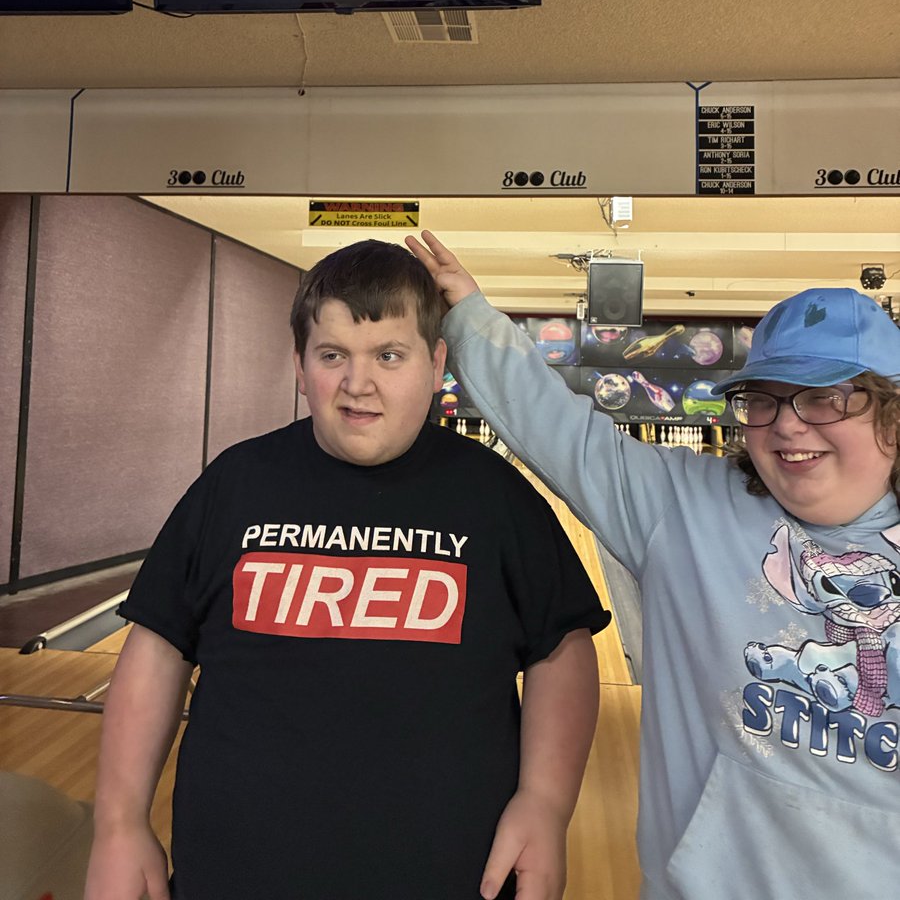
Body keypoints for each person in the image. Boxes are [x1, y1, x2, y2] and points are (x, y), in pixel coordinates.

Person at [84, 240, 609, 900]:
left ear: (436, 364)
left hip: (451, 877)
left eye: (389, 356)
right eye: (333, 355)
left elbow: (561, 646)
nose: (358, 383)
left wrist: (546, 802)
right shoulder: (236, 484)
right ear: (300, 367)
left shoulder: (494, 497)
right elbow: (158, 644)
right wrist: (119, 821)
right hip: (236, 874)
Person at [406, 230, 900, 900]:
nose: (787, 425)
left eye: (824, 397)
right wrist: (467, 316)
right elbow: (557, 428)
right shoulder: (685, 507)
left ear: (891, 413)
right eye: (763, 399)